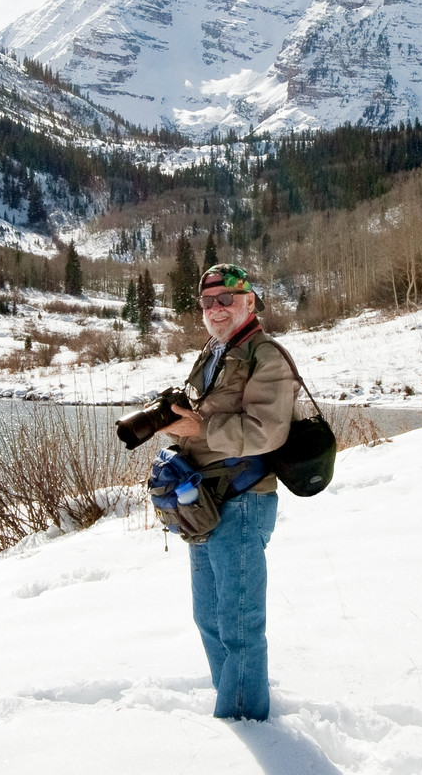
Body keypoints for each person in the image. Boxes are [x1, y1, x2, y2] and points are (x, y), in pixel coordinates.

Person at [165, 263, 300, 722]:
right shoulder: (215, 350)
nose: (216, 309)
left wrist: (198, 426)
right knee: (210, 619)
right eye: (208, 301)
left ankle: (245, 724)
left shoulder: (268, 355)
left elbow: (266, 432)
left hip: (243, 499)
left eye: (226, 299)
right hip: (201, 500)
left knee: (240, 626)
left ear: (249, 301)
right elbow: (206, 415)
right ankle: (238, 711)